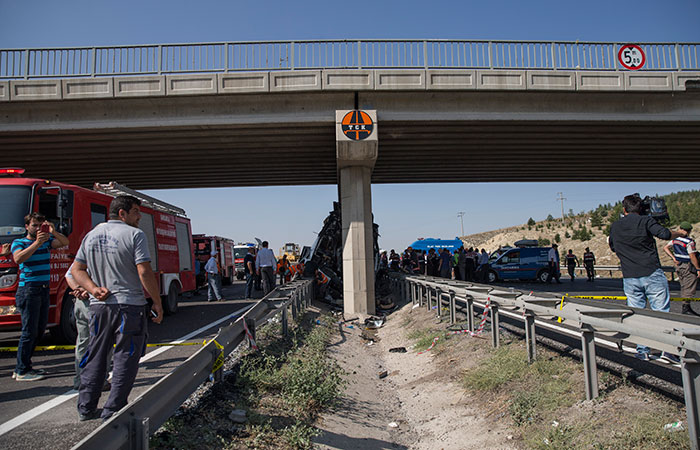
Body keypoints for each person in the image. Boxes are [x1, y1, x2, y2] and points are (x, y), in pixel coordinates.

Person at [72, 195, 163, 421]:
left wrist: (93, 289)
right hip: (129, 306)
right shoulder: (134, 235)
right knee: (126, 356)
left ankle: (85, 407)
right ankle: (114, 409)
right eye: (135, 211)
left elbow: (76, 270)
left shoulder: (90, 235)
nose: (139, 216)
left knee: (96, 355)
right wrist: (157, 301)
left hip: (99, 307)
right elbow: (143, 271)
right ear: (121, 213)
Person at [609, 194, 687, 363]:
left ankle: (642, 350)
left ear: (624, 209)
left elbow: (614, 247)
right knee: (661, 314)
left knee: (637, 315)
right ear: (642, 209)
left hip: (630, 277)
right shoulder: (645, 221)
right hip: (652, 273)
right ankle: (667, 350)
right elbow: (664, 234)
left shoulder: (615, 226)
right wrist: (678, 233)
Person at [11, 212, 69, 381]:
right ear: (27, 226)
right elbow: (18, 258)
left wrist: (53, 232)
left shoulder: (47, 242)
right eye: (34, 225)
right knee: (28, 331)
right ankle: (21, 370)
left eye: (40, 225)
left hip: (43, 289)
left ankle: (27, 366)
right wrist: (37, 243)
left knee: (38, 330)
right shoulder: (20, 242)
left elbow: (65, 242)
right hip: (29, 290)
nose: (37, 228)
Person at [66, 263, 111, 391]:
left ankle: (81, 380)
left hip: (82, 302)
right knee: (103, 342)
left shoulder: (84, 250)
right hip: (99, 303)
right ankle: (100, 380)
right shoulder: (106, 251)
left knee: (84, 342)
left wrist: (78, 288)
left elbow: (70, 275)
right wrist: (86, 289)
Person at [663, 221, 700, 316]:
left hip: (679, 265)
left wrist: (673, 257)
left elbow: (666, 247)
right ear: (688, 231)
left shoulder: (675, 239)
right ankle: (686, 306)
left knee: (684, 285)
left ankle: (686, 306)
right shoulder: (689, 242)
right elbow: (692, 256)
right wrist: (698, 268)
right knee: (690, 285)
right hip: (688, 265)